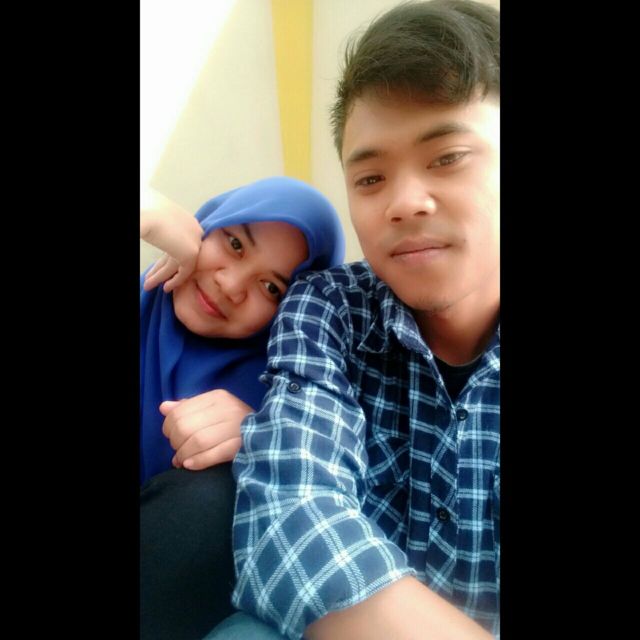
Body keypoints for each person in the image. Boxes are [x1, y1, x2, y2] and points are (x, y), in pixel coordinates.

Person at [206, 1, 500, 639]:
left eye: (447, 157)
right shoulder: (328, 308)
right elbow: (290, 518)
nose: (404, 202)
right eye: (369, 178)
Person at [139, 176, 345, 640]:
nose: (230, 285)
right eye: (234, 244)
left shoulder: (281, 394)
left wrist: (263, 435)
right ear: (204, 225)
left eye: (271, 287)